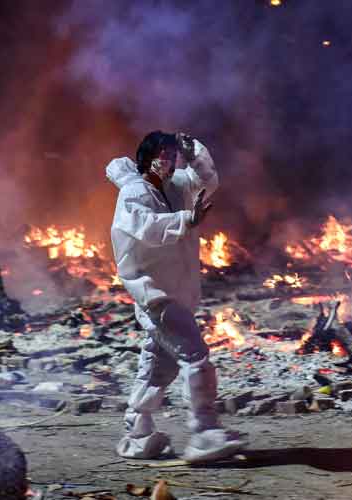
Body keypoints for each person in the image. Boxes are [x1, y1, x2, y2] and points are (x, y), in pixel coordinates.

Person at [107, 130, 245, 463]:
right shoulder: (133, 193)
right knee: (196, 357)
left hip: (176, 294)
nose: (169, 161)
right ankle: (204, 432)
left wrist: (194, 152)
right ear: (146, 157)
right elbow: (147, 228)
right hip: (155, 295)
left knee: (156, 370)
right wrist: (187, 219)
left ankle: (137, 435)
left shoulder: (175, 187)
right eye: (163, 154)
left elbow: (206, 181)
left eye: (173, 155)